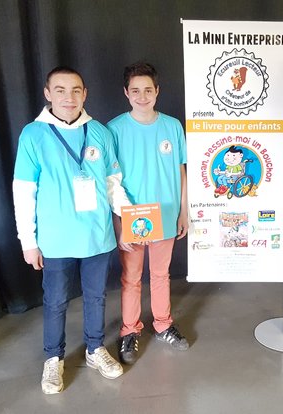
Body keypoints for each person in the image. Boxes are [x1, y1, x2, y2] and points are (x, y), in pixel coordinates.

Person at [13, 66, 130, 394]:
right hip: (55, 239)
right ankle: (54, 358)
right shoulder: (33, 135)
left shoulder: (100, 134)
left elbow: (112, 184)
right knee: (56, 301)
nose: (69, 97)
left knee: (96, 297)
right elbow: (24, 190)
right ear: (48, 94)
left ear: (85, 94)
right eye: (60, 90)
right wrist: (28, 241)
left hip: (96, 235)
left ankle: (95, 349)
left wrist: (132, 220)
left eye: (76, 90)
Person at [107, 61, 189, 365]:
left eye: (148, 90)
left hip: (166, 214)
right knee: (131, 277)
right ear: (126, 93)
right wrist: (119, 225)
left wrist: (184, 211)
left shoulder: (172, 126)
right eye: (136, 90)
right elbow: (110, 181)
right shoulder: (113, 130)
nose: (142, 96)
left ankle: (164, 324)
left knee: (160, 274)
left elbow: (181, 170)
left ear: (157, 91)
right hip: (133, 218)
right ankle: (129, 330)